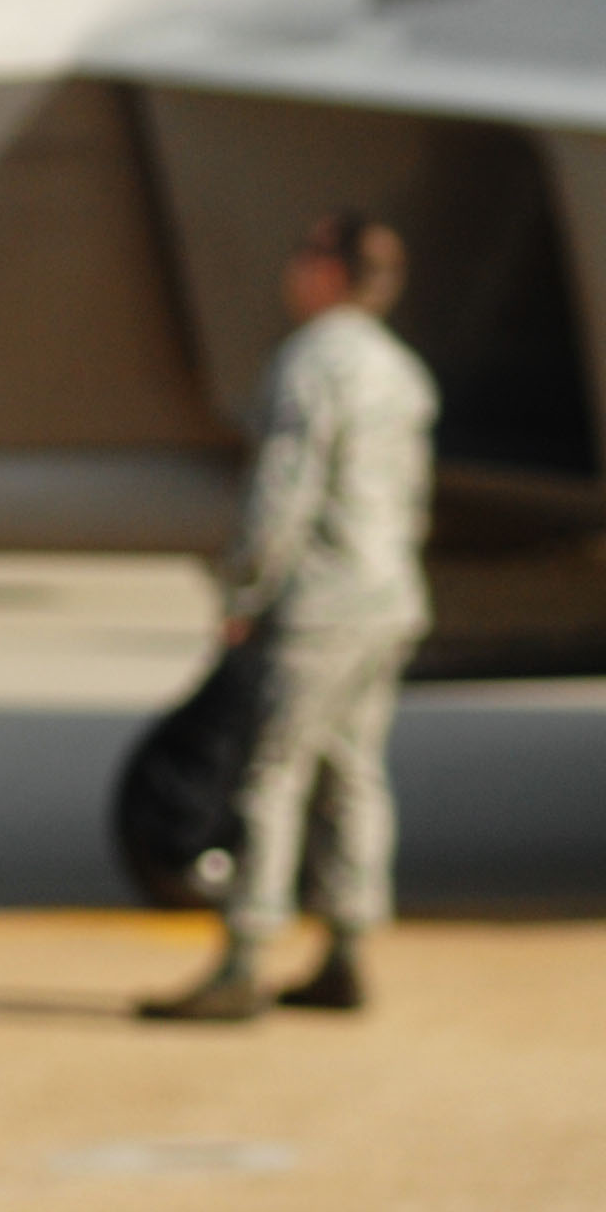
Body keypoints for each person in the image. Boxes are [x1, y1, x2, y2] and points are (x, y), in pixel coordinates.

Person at [143, 211, 441, 1023]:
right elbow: (413, 498)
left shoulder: (311, 364)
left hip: (320, 601)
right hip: (388, 595)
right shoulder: (402, 370)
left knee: (269, 773)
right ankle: (347, 946)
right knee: (354, 770)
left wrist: (244, 593)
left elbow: (283, 490)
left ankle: (245, 954)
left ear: (330, 273)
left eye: (305, 253)